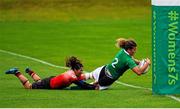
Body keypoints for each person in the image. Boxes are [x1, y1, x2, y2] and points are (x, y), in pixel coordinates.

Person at [84, 38, 151, 90]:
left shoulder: (123, 51)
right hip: (108, 79)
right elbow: (139, 72)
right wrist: (147, 63)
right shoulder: (128, 60)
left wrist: (141, 62)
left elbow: (133, 60)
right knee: (91, 87)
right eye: (134, 49)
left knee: (86, 76)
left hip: (103, 69)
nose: (135, 51)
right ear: (129, 50)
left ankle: (74, 76)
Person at [5, 56, 96, 90]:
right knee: (29, 87)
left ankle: (30, 72)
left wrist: (95, 82)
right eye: (80, 70)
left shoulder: (71, 73)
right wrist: (94, 87)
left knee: (39, 81)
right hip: (49, 83)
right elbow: (83, 85)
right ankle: (16, 72)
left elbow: (82, 80)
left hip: (51, 80)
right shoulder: (72, 76)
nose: (82, 71)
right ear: (75, 70)